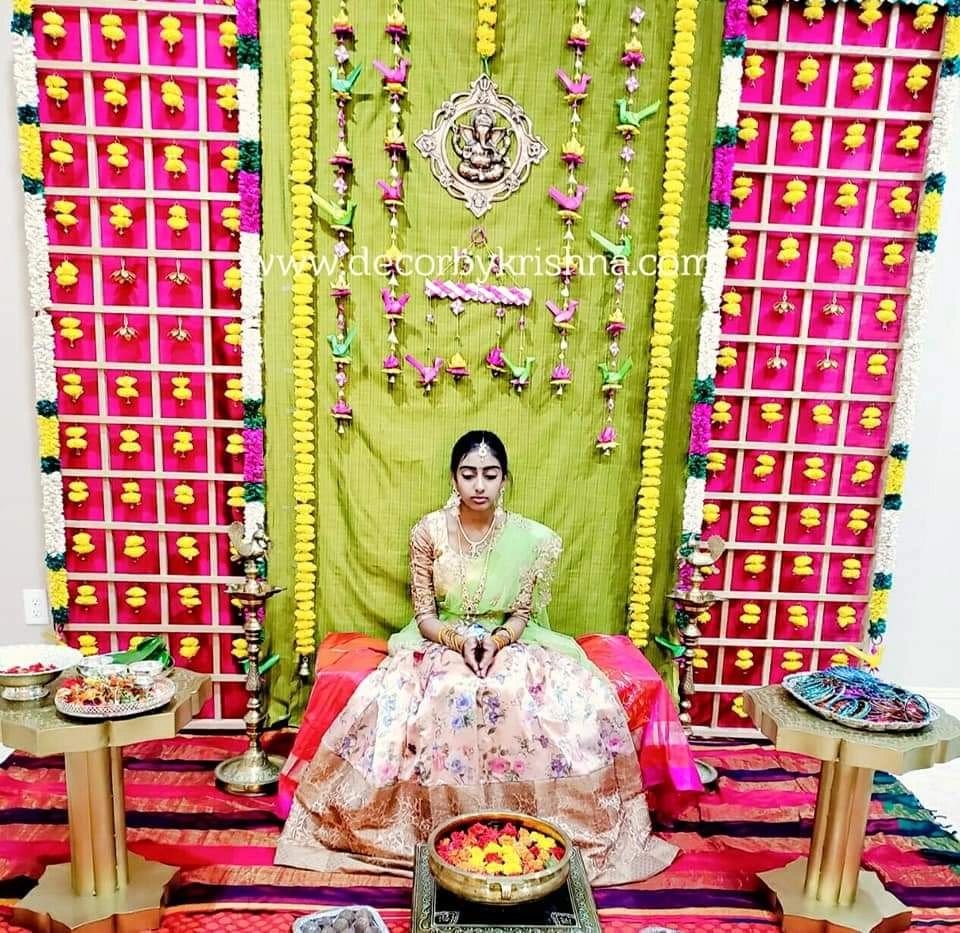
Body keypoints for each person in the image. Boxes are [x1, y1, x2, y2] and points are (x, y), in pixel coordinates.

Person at [275, 431, 678, 884]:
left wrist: (498, 641)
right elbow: (425, 616)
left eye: (490, 474)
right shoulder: (428, 531)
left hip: (508, 640)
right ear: (454, 478)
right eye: (469, 474)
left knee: (517, 691)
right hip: (441, 639)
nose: (479, 485)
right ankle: (437, 826)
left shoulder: (528, 538)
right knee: (448, 691)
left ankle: (520, 823)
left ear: (505, 479)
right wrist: (460, 642)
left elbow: (521, 614)